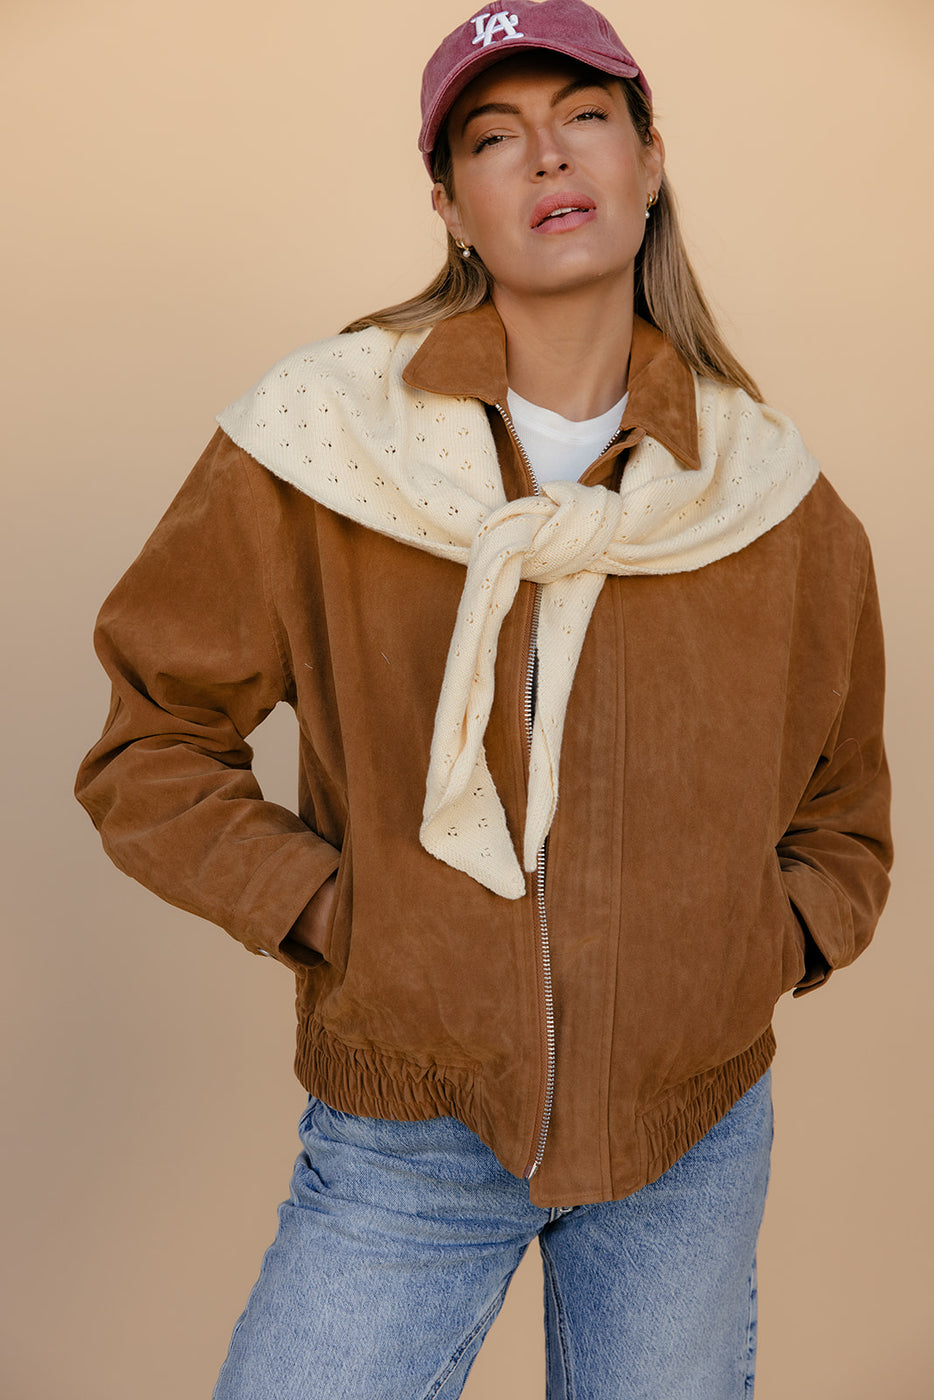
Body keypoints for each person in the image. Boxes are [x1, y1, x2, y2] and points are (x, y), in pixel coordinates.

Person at [75, 1, 893, 1395]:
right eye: (492, 135)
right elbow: (151, 742)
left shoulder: (771, 499)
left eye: (583, 116)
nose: (546, 158)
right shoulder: (319, 441)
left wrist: (757, 943)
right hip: (413, 1115)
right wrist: (339, 913)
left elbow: (842, 819)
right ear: (452, 206)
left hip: (690, 1128)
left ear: (646, 163)